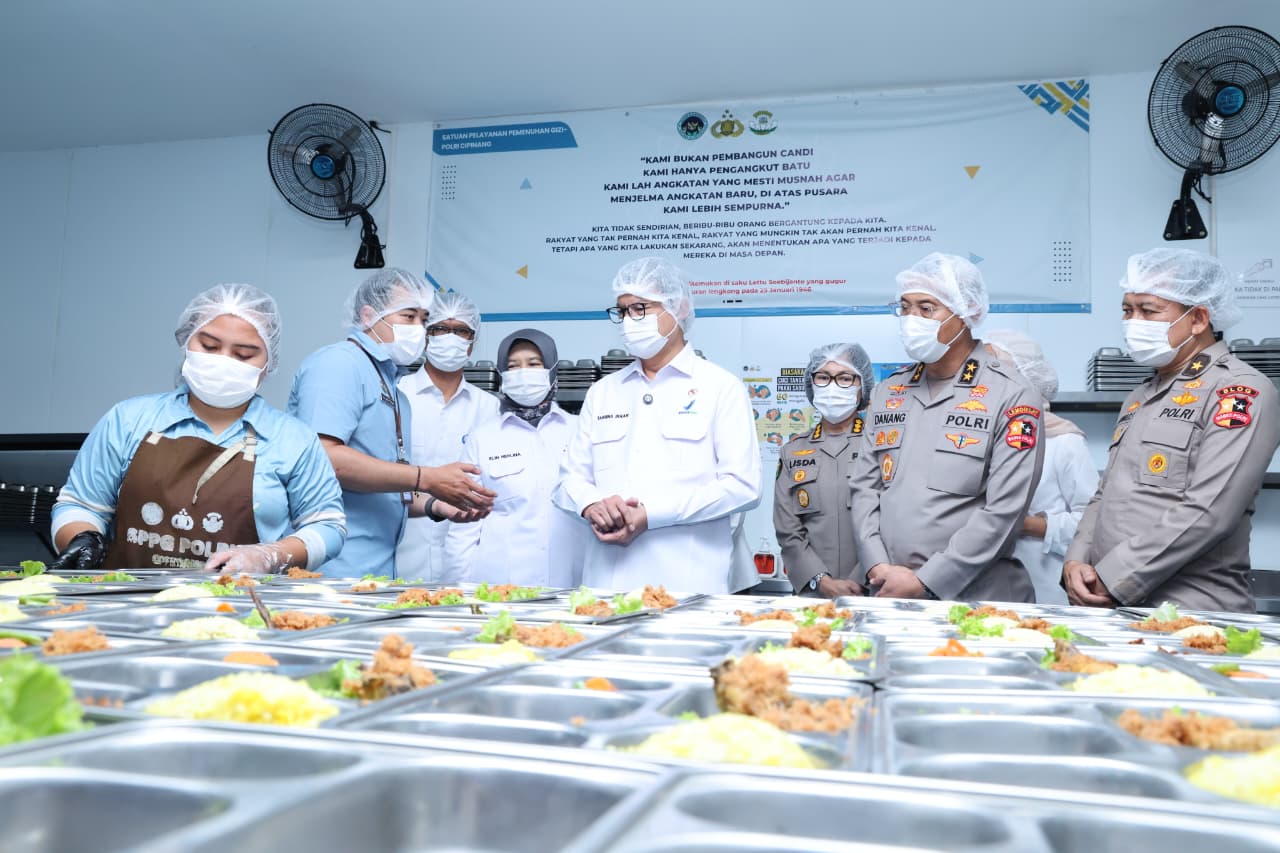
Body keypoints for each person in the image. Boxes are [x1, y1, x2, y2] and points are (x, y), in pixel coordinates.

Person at [51, 284, 346, 574]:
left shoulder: (293, 439)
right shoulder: (127, 420)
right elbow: (79, 505)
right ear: (186, 342)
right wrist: (83, 538)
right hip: (123, 598)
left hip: (241, 601)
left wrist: (270, 555)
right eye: (209, 346)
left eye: (244, 355)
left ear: (268, 363)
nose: (223, 361)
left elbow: (327, 526)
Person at [1064, 249, 1280, 612]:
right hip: (1112, 604)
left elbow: (1210, 509)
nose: (1133, 322)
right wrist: (1075, 560)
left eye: (1148, 311)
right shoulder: (1141, 395)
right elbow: (1106, 493)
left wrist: (1114, 577)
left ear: (1198, 318)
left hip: (1190, 609)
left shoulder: (1238, 390)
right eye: (1127, 310)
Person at [553, 257, 761, 593]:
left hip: (686, 588)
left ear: (679, 307)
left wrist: (651, 515)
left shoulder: (721, 387)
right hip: (605, 587)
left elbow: (742, 486)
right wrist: (592, 504)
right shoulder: (604, 392)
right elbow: (568, 480)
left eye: (640, 308)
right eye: (622, 311)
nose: (628, 321)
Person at [850, 253, 1046, 602]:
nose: (911, 320)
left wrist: (927, 581)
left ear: (966, 312)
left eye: (926, 308)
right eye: (905, 308)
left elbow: (1004, 510)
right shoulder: (888, 392)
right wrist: (876, 564)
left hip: (975, 599)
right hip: (888, 590)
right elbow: (864, 488)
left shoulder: (1011, 394)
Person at [288, 268, 494, 578]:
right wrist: (426, 477)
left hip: (375, 568)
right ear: (369, 315)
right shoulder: (339, 364)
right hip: (331, 564)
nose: (418, 329)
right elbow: (324, 459)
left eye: (424, 319)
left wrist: (436, 506)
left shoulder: (393, 391)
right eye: (408, 316)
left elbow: (384, 486)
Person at [444, 329, 587, 587]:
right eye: (513, 366)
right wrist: (458, 590)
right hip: (500, 588)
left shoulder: (579, 430)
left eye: (534, 364)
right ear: (501, 373)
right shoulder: (482, 438)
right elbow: (464, 527)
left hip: (571, 585)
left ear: (552, 369)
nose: (523, 373)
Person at [984, 329, 1099, 605]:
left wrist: (1030, 525)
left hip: (1045, 585)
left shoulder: (1065, 441)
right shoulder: (978, 439)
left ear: (1024, 379)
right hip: (986, 585)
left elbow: (1093, 523)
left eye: (996, 372)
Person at [396, 291, 500, 582]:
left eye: (461, 331)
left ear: (472, 342)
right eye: (440, 328)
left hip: (465, 561)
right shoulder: (397, 396)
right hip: (399, 558)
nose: (450, 337)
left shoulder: (489, 408)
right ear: (426, 334)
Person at [773, 342, 875, 598]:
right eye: (823, 377)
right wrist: (821, 581)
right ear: (812, 383)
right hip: (813, 593)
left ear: (862, 386)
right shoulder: (793, 451)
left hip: (873, 588)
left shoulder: (880, 446)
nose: (832, 386)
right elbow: (788, 529)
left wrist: (861, 578)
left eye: (845, 378)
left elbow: (893, 521)